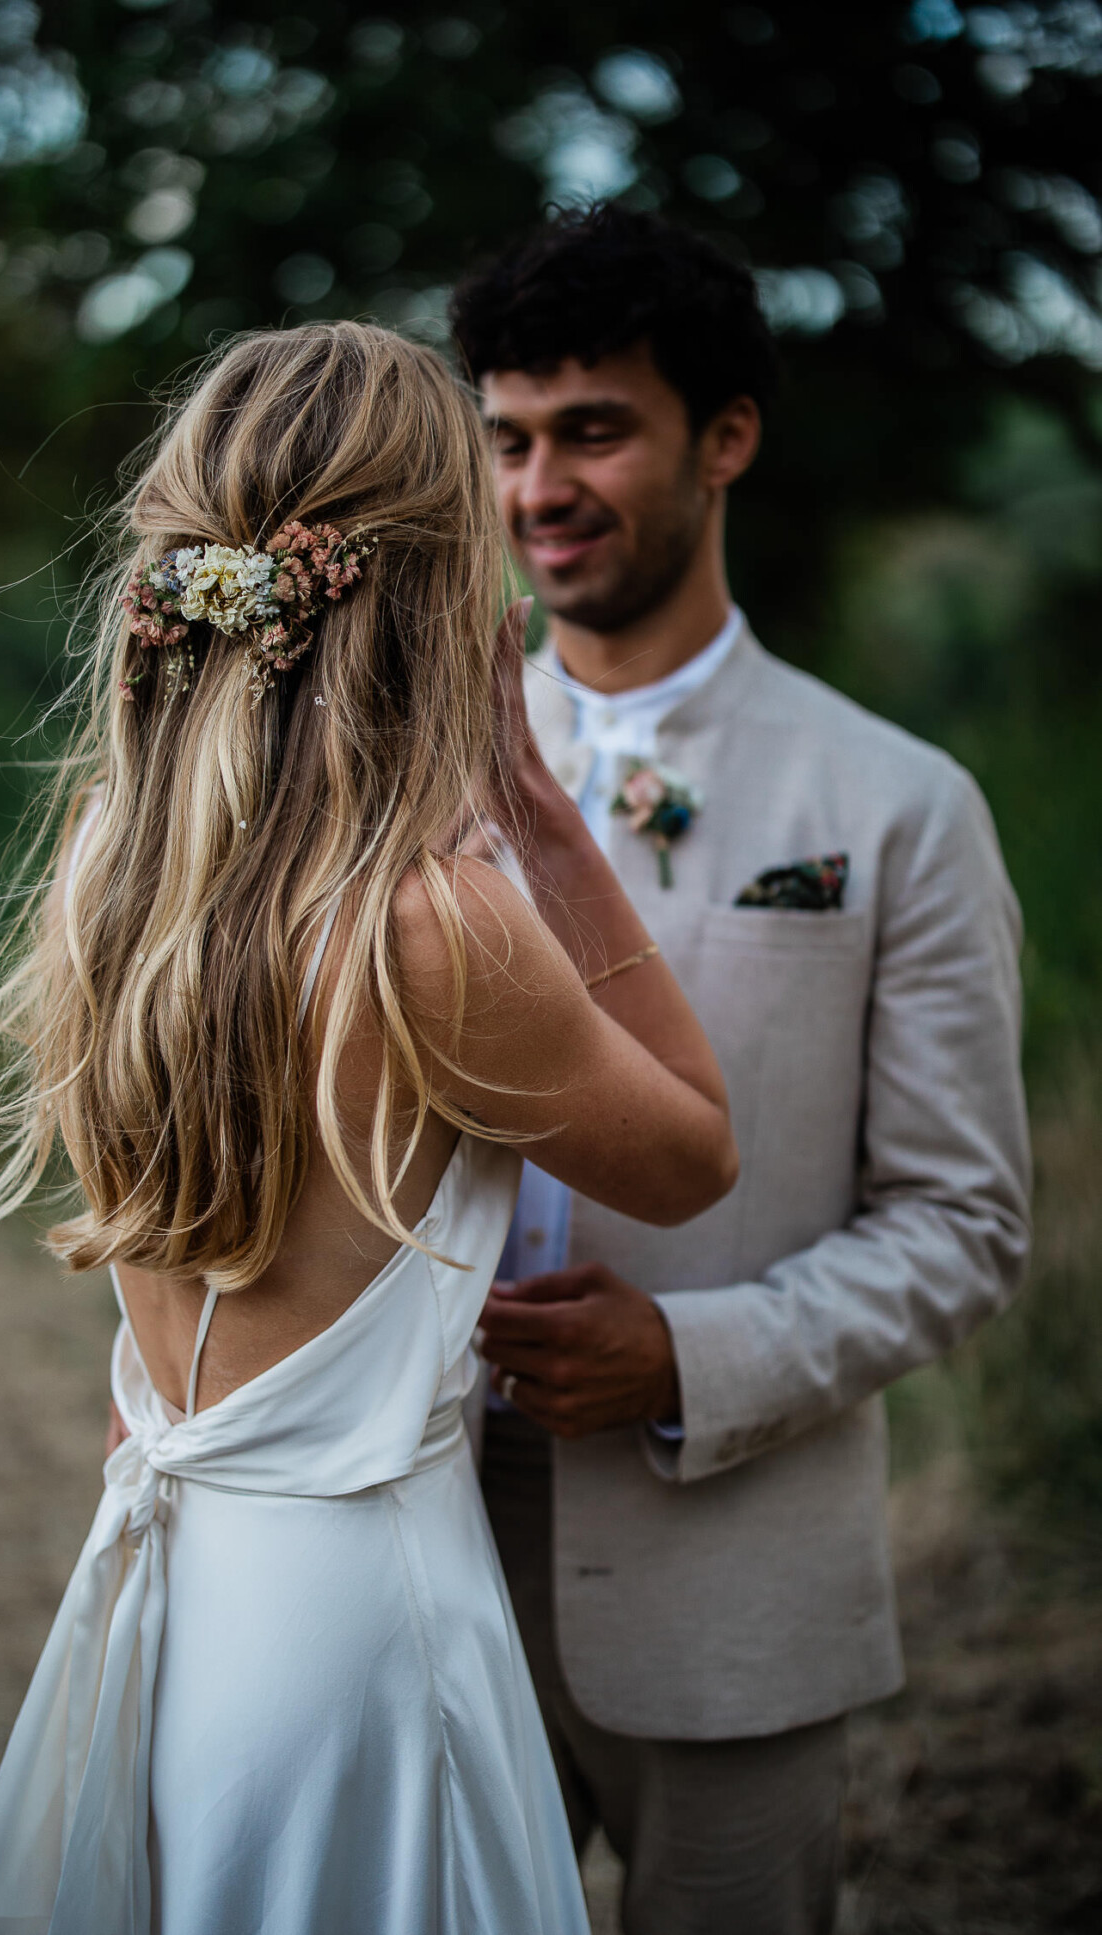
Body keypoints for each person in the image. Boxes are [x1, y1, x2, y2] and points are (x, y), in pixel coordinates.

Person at [0, 321, 737, 1935]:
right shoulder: (431, 924)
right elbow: (694, 1154)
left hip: (167, 1560)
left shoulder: (110, 856)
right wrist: (549, 824)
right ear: (446, 589)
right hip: (355, 1621)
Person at [449, 204, 1032, 1935]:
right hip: (412, 1548)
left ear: (725, 439)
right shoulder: (406, 776)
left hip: (733, 1572)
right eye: (507, 440)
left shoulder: (895, 804)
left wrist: (688, 1356)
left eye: (593, 430)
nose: (538, 488)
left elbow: (961, 1224)